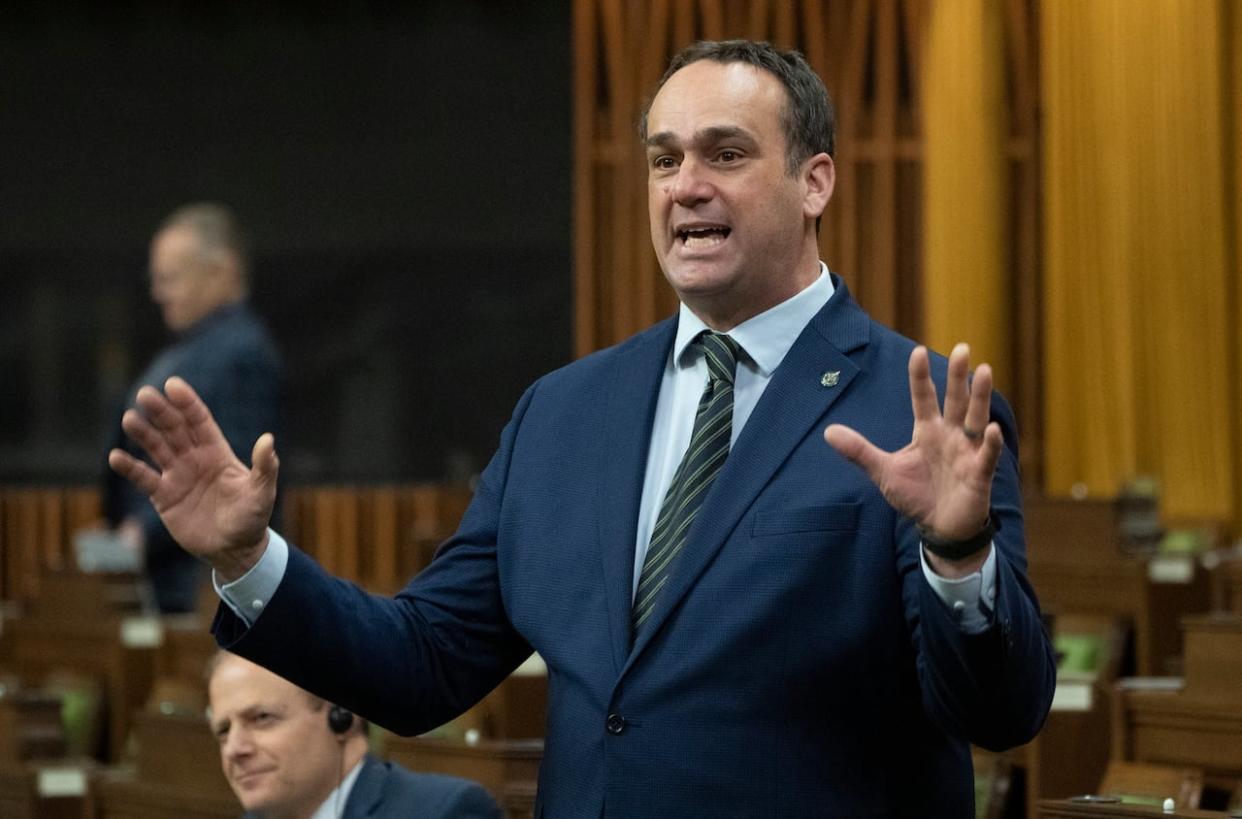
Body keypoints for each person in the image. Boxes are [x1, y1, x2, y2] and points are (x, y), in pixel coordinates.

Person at [111, 41, 1056, 816]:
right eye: (663, 158)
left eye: (725, 154)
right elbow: (422, 662)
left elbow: (1002, 711)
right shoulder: (565, 412)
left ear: (815, 183)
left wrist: (958, 552)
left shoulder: (916, 408)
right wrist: (248, 556)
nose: (685, 185)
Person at [103, 202, 284, 613]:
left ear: (221, 271)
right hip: (166, 574)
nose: (158, 292)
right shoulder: (193, 348)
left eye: (171, 278)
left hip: (203, 587)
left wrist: (141, 532)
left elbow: (235, 475)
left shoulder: (242, 353)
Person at [207, 650, 501, 819]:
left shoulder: (444, 812)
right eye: (223, 730)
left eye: (261, 719)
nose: (234, 748)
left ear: (342, 716)